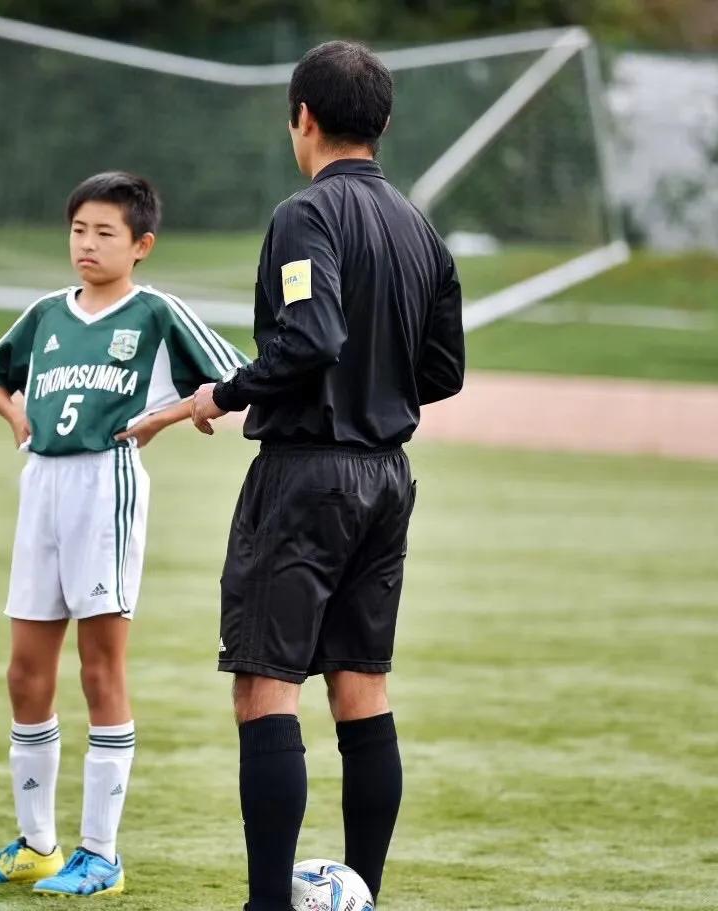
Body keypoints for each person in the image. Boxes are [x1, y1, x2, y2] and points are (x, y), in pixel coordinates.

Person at [188, 41, 466, 909]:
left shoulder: (304, 215)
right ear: (382, 123)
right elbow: (444, 370)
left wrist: (224, 392)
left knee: (265, 685)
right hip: (387, 477)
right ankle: (361, 893)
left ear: (302, 117)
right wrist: (376, 388)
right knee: (361, 684)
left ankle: (268, 904)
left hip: (309, 475)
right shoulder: (421, 228)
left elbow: (311, 338)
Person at [0, 172, 249, 898]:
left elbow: (235, 378)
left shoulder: (155, 312)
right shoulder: (47, 314)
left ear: (141, 244)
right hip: (42, 487)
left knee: (99, 670)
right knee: (25, 671)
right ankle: (37, 845)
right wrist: (16, 417)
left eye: (105, 232)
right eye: (78, 229)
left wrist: (165, 418)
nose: (87, 243)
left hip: (105, 485)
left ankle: (102, 854)